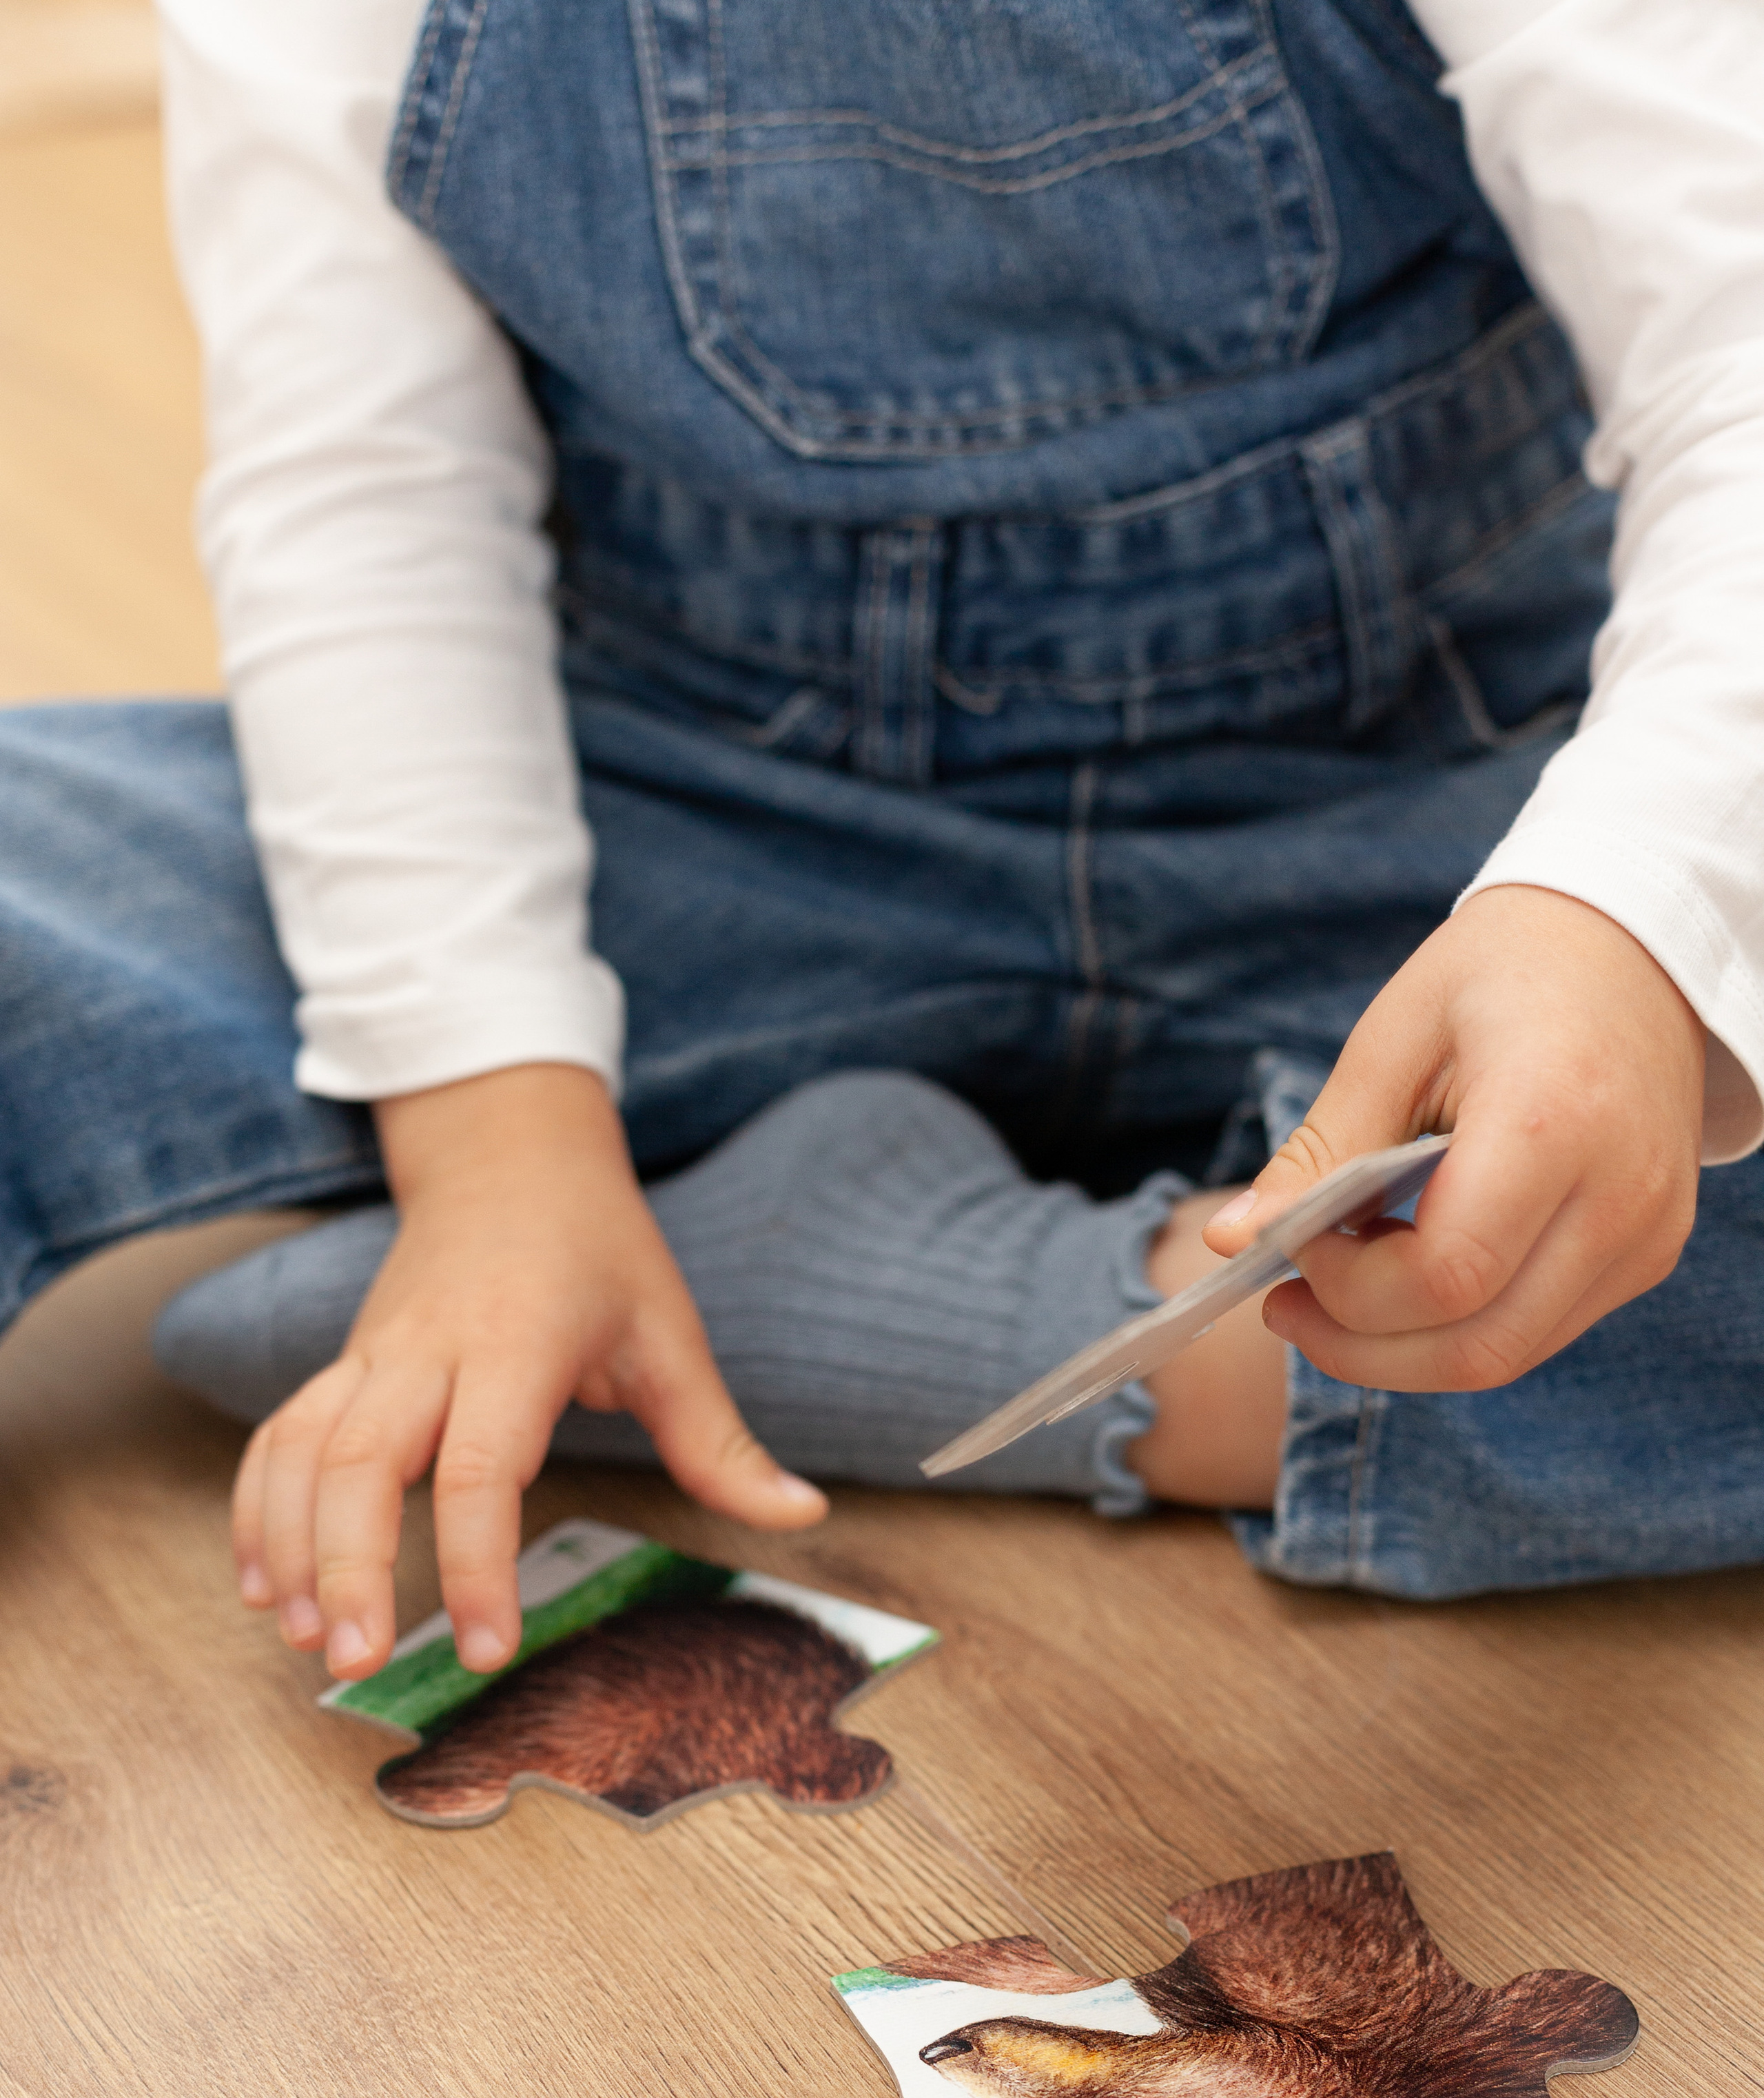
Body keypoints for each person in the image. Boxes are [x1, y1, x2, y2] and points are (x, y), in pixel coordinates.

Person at [3, 0, 1760, 1680]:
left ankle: (1005, 1320)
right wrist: (493, 1144)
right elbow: (363, 494)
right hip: (697, 814)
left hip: (1443, 836)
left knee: (1674, 1027)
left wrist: (1620, 912)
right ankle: (574, 1255)